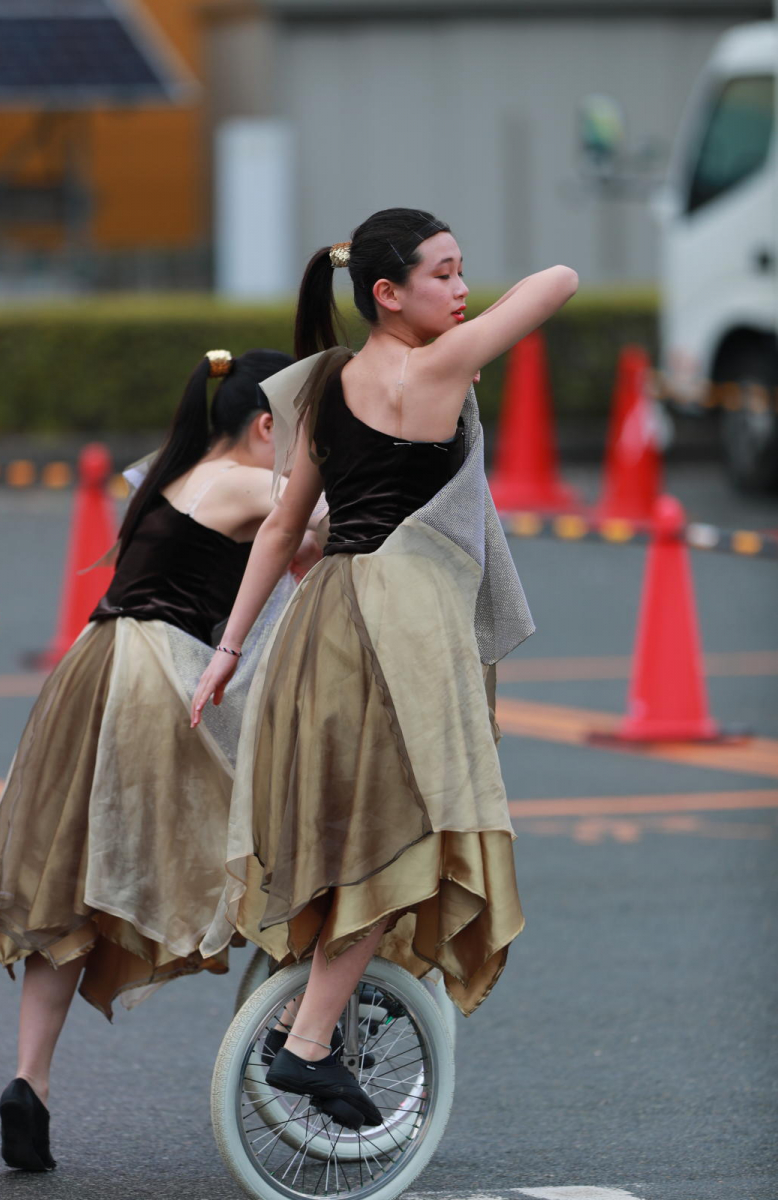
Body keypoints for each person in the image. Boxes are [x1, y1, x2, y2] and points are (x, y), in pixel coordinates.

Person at [192, 208, 579, 1130]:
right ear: (386, 295)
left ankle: (302, 1013)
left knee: (346, 828)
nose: (462, 290)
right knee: (399, 836)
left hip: (321, 617)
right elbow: (559, 278)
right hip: (403, 625)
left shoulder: (325, 384)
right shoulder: (436, 366)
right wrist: (465, 328)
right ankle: (312, 1043)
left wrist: (231, 646)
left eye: (464, 272)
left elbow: (285, 531)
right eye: (444, 274)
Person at [0, 346, 311, 1172]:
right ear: (265, 425)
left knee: (73, 883)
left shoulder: (169, 476)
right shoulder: (248, 484)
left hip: (90, 666)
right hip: (157, 675)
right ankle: (298, 1033)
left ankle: (31, 1082)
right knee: (272, 847)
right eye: (299, 436)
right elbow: (340, 524)